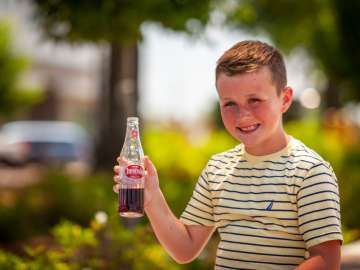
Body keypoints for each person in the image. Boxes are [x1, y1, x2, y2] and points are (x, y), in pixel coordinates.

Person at [113, 40, 342, 269]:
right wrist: (152, 198)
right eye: (229, 104)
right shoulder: (217, 169)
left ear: (285, 98)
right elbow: (185, 248)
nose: (242, 115)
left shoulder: (309, 171)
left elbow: (326, 260)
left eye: (254, 100)